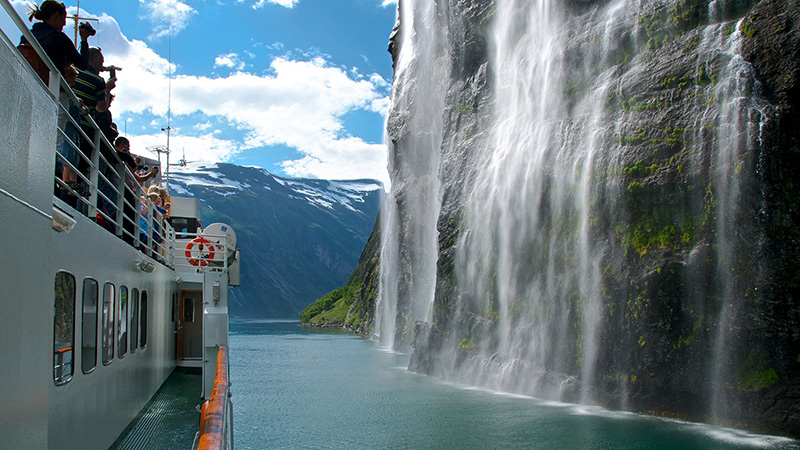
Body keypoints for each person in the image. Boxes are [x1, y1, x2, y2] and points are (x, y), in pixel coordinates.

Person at [20, 1, 93, 77]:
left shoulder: (27, 36)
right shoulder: (60, 38)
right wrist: (84, 40)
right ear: (56, 16)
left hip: (27, 78)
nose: (64, 23)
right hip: (49, 85)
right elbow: (83, 65)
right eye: (64, 18)